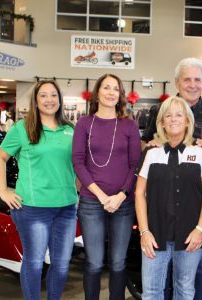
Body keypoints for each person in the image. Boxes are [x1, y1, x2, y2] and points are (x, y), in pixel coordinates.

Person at [141, 57, 202, 299]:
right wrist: (152, 143)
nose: (192, 84)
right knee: (158, 276)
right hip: (161, 210)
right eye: (186, 79)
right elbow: (145, 144)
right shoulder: (158, 111)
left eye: (197, 80)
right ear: (177, 82)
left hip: (196, 210)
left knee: (197, 273)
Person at [0, 80, 78, 300]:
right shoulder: (23, 128)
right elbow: (0, 157)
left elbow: (77, 164)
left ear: (59, 99)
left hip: (67, 208)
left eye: (53, 95)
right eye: (43, 95)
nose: (49, 100)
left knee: (60, 265)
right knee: (34, 262)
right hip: (33, 208)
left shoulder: (70, 129)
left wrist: (75, 190)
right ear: (36, 100)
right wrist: (3, 190)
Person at [135, 96, 202, 300]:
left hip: (190, 235)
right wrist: (144, 232)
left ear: (188, 120)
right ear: (161, 121)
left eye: (179, 115)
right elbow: (139, 194)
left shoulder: (200, 152)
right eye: (168, 115)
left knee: (185, 290)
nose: (173, 119)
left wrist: (200, 229)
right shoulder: (151, 152)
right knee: (151, 292)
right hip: (155, 235)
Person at [72, 73, 141, 300]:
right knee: (93, 262)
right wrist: (102, 196)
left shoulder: (129, 125)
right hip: (92, 202)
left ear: (120, 95)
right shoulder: (84, 123)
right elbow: (78, 162)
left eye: (115, 89)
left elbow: (135, 165)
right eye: (106, 87)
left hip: (123, 202)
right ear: (97, 92)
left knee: (119, 262)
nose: (111, 92)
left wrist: (121, 195)